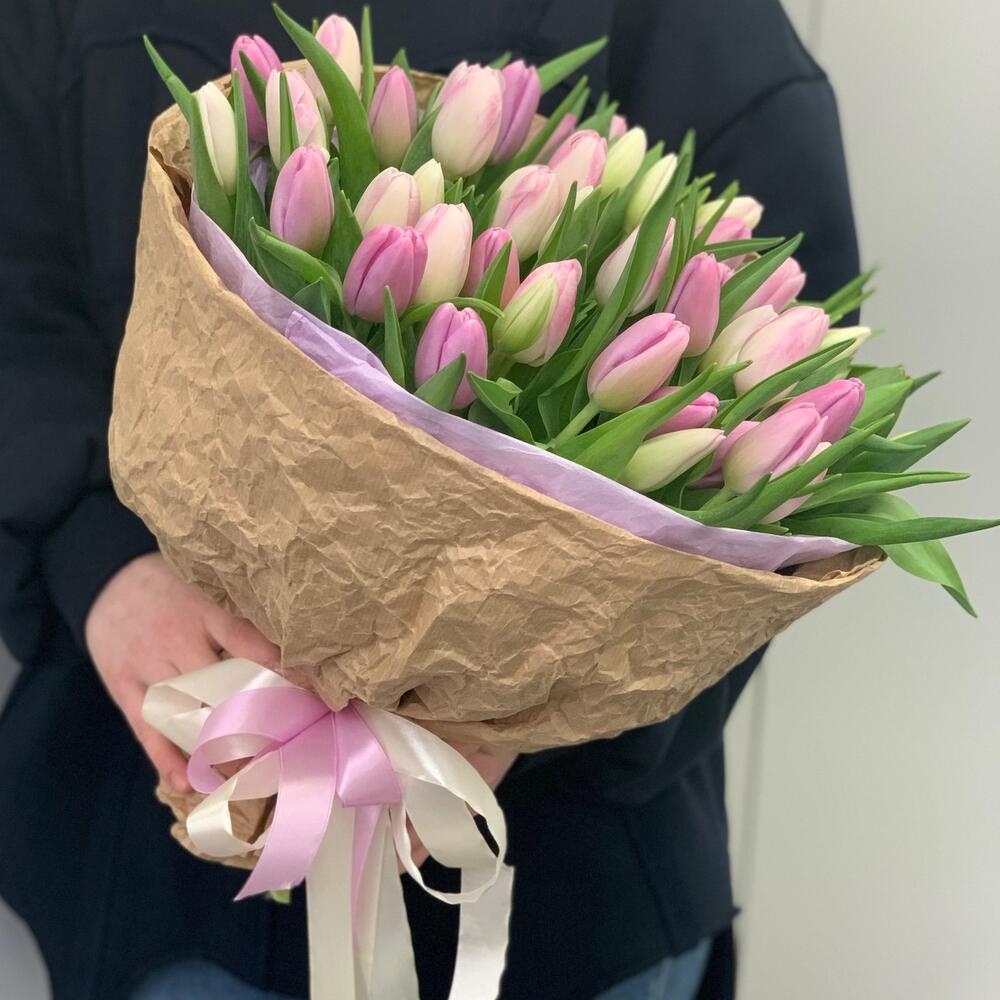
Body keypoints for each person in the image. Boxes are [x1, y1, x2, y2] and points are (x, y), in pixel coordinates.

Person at [0, 0, 859, 997]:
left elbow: (780, 402)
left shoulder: (694, 26)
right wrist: (102, 566)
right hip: (154, 845)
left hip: (566, 891)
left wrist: (513, 704)